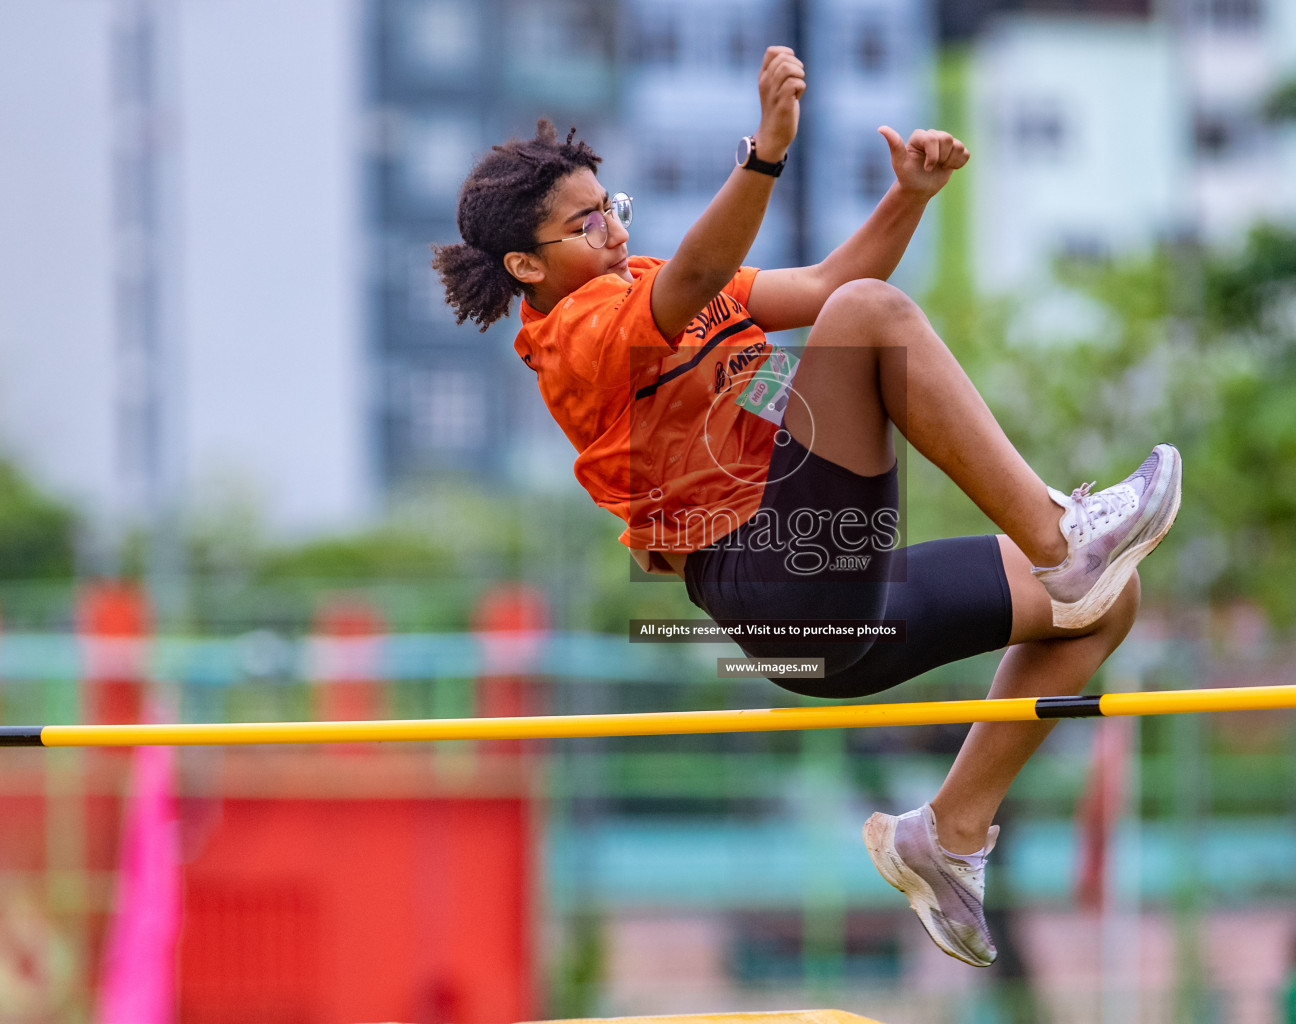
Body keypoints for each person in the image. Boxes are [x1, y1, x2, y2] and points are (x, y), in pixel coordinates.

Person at [433, 46, 1182, 968]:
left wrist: (908, 195)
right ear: (525, 264)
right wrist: (766, 154)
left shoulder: (651, 288)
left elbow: (822, 287)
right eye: (587, 225)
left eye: (611, 208)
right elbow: (742, 284)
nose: (615, 234)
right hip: (768, 583)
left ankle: (947, 835)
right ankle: (1064, 537)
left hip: (836, 602)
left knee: (1108, 604)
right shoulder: (572, 337)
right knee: (876, 317)